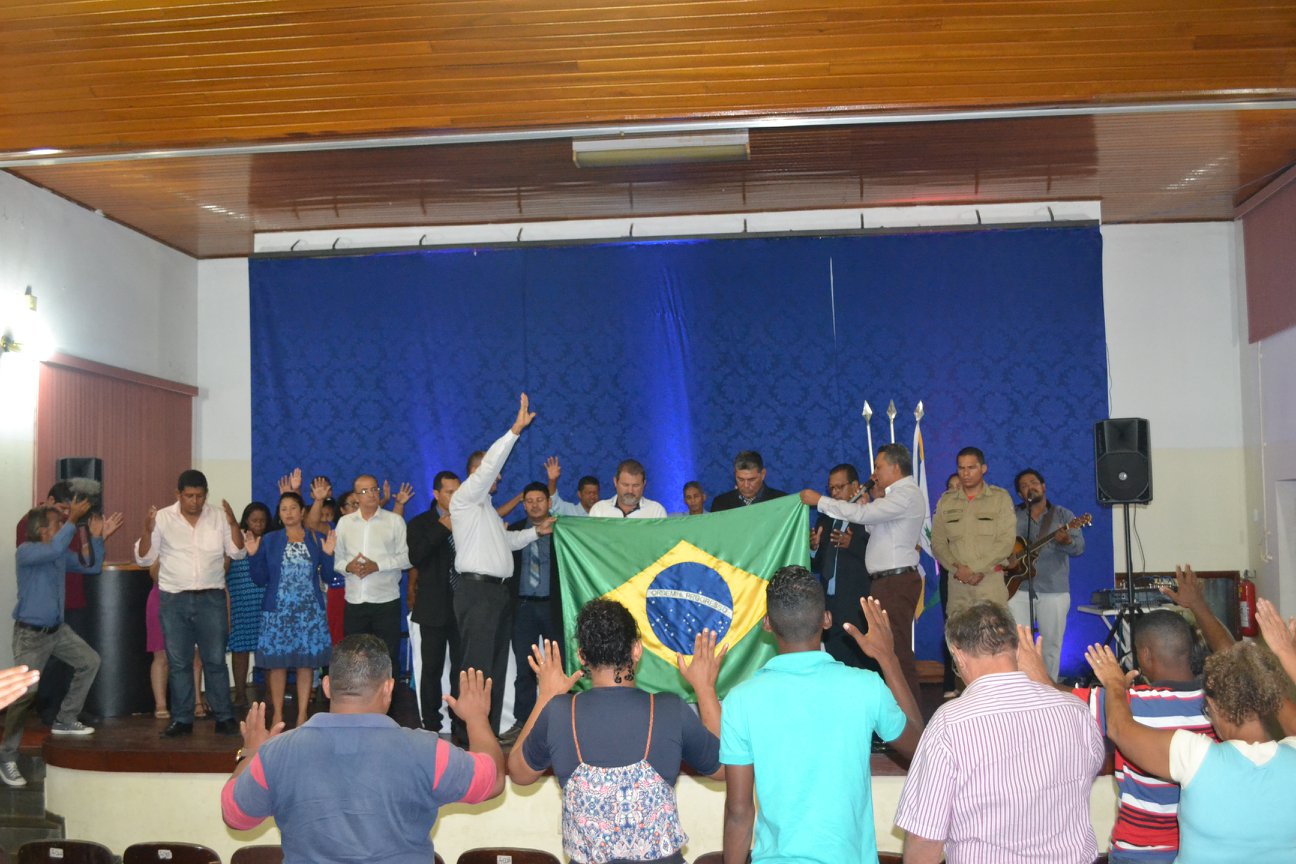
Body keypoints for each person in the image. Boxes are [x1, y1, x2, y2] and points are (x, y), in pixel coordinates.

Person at [222, 634, 505, 864]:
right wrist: (477, 718)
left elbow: (236, 815)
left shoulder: (276, 753)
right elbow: (491, 781)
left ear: (328, 686)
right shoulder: (427, 751)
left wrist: (251, 753)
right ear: (388, 688)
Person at [721, 567, 923, 864]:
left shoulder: (741, 700)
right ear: (826, 620)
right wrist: (888, 658)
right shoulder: (865, 687)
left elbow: (739, 813)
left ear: (767, 624)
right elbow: (921, 748)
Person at [1017, 574, 1224, 864]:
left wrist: (1034, 667)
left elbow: (1055, 696)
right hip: (1202, 850)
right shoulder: (1220, 701)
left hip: (1140, 853)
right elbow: (1231, 651)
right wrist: (1199, 605)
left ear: (1145, 654)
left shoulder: (1129, 705)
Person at [509, 602, 724, 864]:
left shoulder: (558, 712)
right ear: (636, 649)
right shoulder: (670, 709)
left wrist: (545, 696)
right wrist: (705, 689)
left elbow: (519, 773)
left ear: (582, 656)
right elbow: (725, 768)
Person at [895, 601, 1104, 864]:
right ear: (1018, 649)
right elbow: (1091, 769)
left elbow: (925, 839)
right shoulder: (1076, 711)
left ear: (957, 655)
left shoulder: (950, 723)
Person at [1086, 637, 1296, 863]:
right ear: (1269, 700)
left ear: (1214, 706)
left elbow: (1120, 729)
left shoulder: (1195, 757)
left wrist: (1114, 684)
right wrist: (1283, 657)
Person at [451, 394, 553, 736]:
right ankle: (468, 737)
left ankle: (487, 734)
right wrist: (514, 431)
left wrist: (536, 532)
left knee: (492, 669)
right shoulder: (465, 499)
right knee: (476, 667)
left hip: (495, 594)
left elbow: (507, 543)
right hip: (476, 591)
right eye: (489, 474)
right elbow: (490, 466)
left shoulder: (488, 512)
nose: (495, 478)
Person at [2, 500, 121, 787]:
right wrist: (75, 519)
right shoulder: (27, 551)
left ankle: (65, 719)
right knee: (23, 695)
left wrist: (96, 538)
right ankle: (7, 757)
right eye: (58, 523)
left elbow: (91, 568)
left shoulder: (57, 554)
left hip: (57, 631)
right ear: (43, 530)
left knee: (89, 661)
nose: (64, 525)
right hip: (31, 635)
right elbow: (56, 548)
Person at [801, 444, 927, 700]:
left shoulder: (906, 494)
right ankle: (897, 721)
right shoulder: (892, 497)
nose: (875, 473)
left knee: (896, 652)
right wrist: (873, 500)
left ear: (895, 467)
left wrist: (820, 501)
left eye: (879, 467)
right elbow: (874, 527)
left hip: (897, 580)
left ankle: (912, 722)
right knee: (887, 651)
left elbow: (863, 515)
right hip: (885, 582)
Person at [135, 468, 246, 737]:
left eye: (199, 496)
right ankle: (182, 718)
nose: (195, 501)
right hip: (174, 599)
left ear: (206, 494)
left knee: (215, 660)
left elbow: (238, 552)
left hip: (211, 598)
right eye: (189, 496)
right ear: (178, 494)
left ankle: (224, 716)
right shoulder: (162, 518)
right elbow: (145, 559)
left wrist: (233, 525)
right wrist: (147, 531)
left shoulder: (218, 517)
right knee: (179, 661)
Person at [246, 492, 336, 729]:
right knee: (277, 664)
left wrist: (328, 555)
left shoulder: (316, 539)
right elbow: (259, 579)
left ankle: (302, 714)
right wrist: (253, 556)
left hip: (308, 611)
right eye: (283, 508)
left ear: (302, 511)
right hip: (278, 611)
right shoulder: (270, 540)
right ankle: (277, 714)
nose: (288, 513)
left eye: (293, 508)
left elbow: (328, 576)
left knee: (306, 664)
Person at [1007, 468, 1085, 680]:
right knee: (1019, 642)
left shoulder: (1063, 515)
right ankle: (1023, 688)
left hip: (1054, 589)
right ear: (1020, 494)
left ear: (1043, 487)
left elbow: (1079, 548)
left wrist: (1066, 541)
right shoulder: (1011, 516)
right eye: (1024, 486)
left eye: (1033, 483)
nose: (1030, 487)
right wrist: (1007, 559)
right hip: (1017, 589)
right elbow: (999, 546)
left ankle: (1048, 686)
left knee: (1051, 643)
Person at [332, 473, 411, 676]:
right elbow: (337, 561)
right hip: (355, 601)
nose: (372, 494)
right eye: (365, 491)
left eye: (375, 489)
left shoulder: (394, 521)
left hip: (386, 600)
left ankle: (387, 704)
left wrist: (378, 566)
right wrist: (349, 567)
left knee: (387, 656)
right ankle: (356, 704)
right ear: (356, 497)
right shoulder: (344, 523)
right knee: (354, 657)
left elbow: (406, 559)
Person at [504, 481, 564, 743]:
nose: (535, 505)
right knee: (524, 669)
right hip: (523, 608)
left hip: (554, 607)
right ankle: (522, 722)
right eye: (529, 501)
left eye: (540, 500)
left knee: (558, 667)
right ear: (523, 503)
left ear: (549, 503)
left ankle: (563, 720)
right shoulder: (513, 530)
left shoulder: (563, 530)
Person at [406, 470, 462, 733]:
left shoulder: (469, 518)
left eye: (457, 491)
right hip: (432, 607)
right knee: (432, 670)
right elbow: (416, 556)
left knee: (461, 671)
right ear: (436, 494)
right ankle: (431, 724)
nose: (454, 496)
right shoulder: (420, 523)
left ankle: (460, 723)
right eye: (449, 492)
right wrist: (443, 528)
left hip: (464, 606)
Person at [930, 447, 1016, 614]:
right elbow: (938, 543)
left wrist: (975, 569)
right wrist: (959, 571)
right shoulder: (946, 501)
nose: (966, 473)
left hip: (990, 582)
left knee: (994, 637)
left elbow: (1006, 542)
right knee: (958, 637)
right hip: (957, 585)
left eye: (971, 468)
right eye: (961, 468)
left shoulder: (1000, 498)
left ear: (983, 469)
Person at [804, 463, 871, 669]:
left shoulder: (869, 515)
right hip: (831, 603)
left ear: (855, 486)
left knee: (862, 660)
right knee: (835, 659)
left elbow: (876, 559)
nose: (835, 493)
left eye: (839, 487)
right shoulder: (825, 518)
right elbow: (817, 565)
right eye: (831, 488)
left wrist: (852, 545)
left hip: (858, 601)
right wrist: (813, 548)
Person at [227, 501, 271, 707]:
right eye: (254, 520)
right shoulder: (236, 540)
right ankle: (241, 694)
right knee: (240, 649)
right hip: (240, 603)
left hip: (265, 602)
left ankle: (272, 694)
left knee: (268, 649)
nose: (259, 524)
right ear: (246, 520)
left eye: (262, 520)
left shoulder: (271, 541)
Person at [710, 450, 787, 512]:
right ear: (734, 474)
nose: (746, 485)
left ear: (763, 474)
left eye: (752, 479)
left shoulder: (781, 501)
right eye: (740, 479)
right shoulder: (721, 503)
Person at [588, 459, 668, 518]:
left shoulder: (655, 511)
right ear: (615, 482)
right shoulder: (600, 510)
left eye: (636, 485)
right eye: (625, 485)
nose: (630, 491)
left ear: (644, 484)